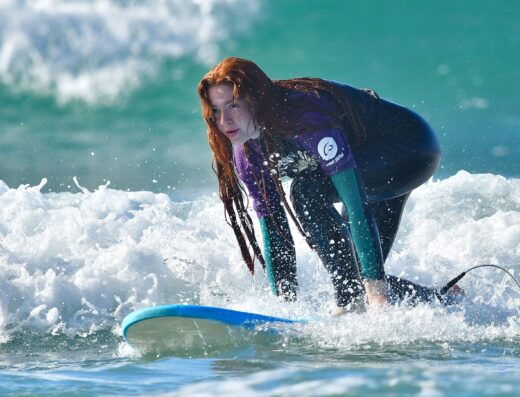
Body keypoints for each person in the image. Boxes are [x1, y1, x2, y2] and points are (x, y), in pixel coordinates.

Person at [197, 57, 455, 312]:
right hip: (371, 170)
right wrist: (283, 310)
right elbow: (276, 235)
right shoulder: (247, 157)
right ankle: (444, 300)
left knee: (306, 193)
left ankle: (353, 303)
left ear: (256, 101)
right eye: (216, 110)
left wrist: (376, 293)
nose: (225, 121)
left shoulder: (304, 117)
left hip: (409, 147)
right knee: (356, 279)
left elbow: (356, 204)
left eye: (233, 105)